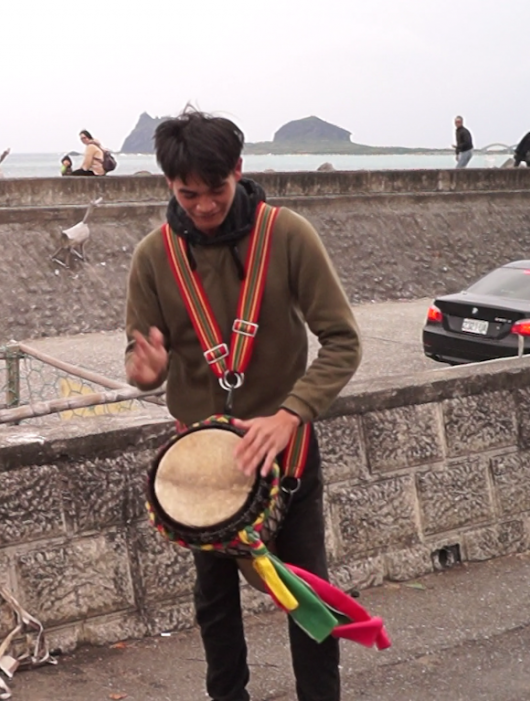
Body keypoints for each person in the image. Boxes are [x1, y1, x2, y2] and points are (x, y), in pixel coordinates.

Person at [124, 110, 361, 701]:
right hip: (204, 467)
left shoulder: (288, 235)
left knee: (306, 596)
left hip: (287, 453)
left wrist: (290, 414)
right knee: (215, 608)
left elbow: (343, 341)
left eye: (216, 191)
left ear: (239, 169)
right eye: (188, 194)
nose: (204, 206)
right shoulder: (153, 257)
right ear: (169, 185)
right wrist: (144, 370)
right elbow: (142, 361)